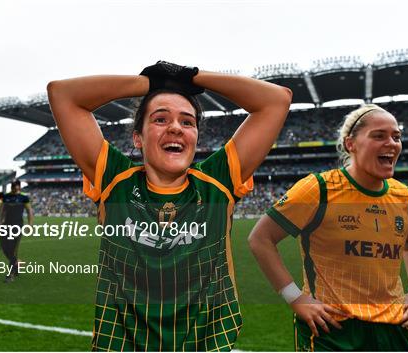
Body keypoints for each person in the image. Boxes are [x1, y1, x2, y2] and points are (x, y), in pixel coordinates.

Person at [47, 61, 292, 351]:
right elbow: (62, 94)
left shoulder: (217, 183)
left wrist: (192, 78)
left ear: (196, 137)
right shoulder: (114, 181)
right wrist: (150, 84)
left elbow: (277, 100)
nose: (176, 127)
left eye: (187, 122)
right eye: (160, 119)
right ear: (138, 137)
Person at [248, 104, 408, 351]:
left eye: (396, 136)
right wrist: (296, 298)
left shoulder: (406, 197)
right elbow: (261, 239)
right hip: (331, 328)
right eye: (379, 136)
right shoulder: (318, 188)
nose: (392, 143)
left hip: (392, 327)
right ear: (350, 144)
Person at [0, 180, 33, 282]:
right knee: (5, 248)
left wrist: (30, 224)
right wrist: (0, 222)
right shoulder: (6, 197)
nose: (15, 188)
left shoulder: (24, 197)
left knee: (13, 249)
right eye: (13, 187)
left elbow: (29, 211)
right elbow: (2, 210)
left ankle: (10, 275)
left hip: (17, 226)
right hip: (6, 226)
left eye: (16, 187)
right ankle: (17, 263)